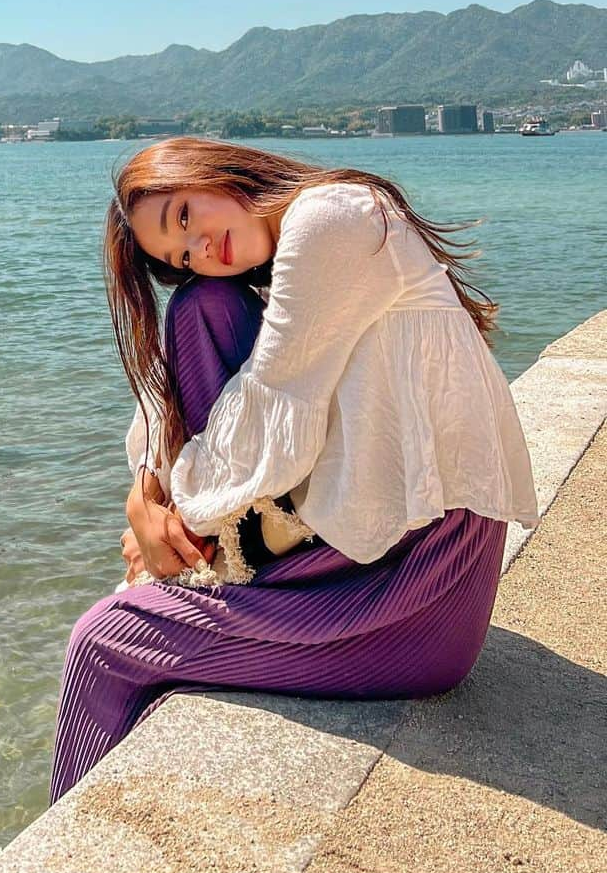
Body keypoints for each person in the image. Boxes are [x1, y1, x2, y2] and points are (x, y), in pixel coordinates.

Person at [50, 138, 539, 803]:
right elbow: (171, 397)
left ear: (216, 173)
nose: (200, 249)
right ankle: (209, 557)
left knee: (105, 640)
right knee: (200, 307)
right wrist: (147, 491)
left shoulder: (330, 218)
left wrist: (169, 521)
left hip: (417, 587)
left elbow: (273, 424)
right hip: (359, 549)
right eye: (180, 254)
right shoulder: (286, 246)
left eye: (186, 217)